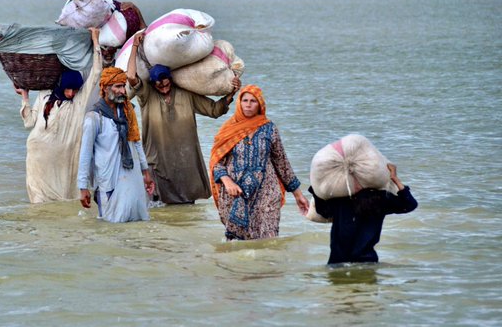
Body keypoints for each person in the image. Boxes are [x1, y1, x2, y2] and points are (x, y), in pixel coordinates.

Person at [125, 32, 241, 205]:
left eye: (166, 83)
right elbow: (131, 77)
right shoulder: (147, 96)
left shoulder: (187, 94)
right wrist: (135, 46)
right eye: (159, 84)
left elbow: (215, 110)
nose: (163, 87)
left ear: (171, 80)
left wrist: (231, 92)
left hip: (185, 162)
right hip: (157, 161)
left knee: (186, 206)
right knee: (156, 206)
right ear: (153, 84)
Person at [209, 84, 309, 240]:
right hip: (235, 194)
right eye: (245, 100)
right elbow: (216, 162)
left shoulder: (269, 129)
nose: (248, 105)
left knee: (268, 240)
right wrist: (227, 181)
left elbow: (282, 163)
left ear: (260, 105)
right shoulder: (228, 129)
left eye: (253, 101)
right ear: (239, 103)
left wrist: (298, 195)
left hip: (267, 193)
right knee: (237, 246)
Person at [15, 27, 102, 204]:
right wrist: (25, 97)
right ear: (61, 86)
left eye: (75, 90)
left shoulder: (79, 101)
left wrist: (95, 42)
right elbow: (29, 122)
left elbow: (96, 73)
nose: (71, 93)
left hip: (65, 157)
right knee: (39, 200)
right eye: (68, 89)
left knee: (66, 197)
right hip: (38, 155)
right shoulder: (45, 96)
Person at [77, 66, 155, 223]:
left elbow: (136, 142)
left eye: (123, 86)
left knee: (136, 220)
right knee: (111, 225)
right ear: (105, 88)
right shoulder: (94, 118)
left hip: (131, 176)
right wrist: (83, 187)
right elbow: (85, 154)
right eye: (117, 86)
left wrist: (146, 172)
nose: (122, 91)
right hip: (108, 180)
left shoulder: (127, 112)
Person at [309, 163, 418, 265]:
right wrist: (395, 178)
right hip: (367, 262)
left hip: (338, 262)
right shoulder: (381, 199)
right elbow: (410, 204)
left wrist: (317, 184)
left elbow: (322, 211)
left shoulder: (340, 199)